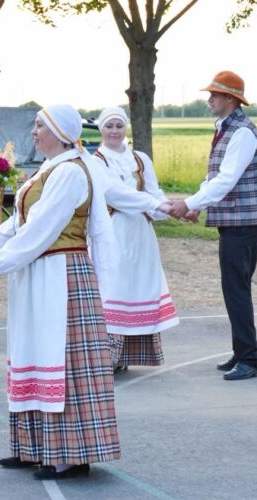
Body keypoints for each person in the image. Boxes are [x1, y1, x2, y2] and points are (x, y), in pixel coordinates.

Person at [0, 104, 121, 480]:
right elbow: (15, 226)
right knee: (33, 350)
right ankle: (33, 447)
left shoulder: (70, 172)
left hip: (62, 273)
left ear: (59, 131)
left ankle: (69, 452)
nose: (34, 132)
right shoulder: (48, 171)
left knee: (62, 357)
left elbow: (40, 230)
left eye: (40, 126)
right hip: (38, 273)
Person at [168, 71, 257, 380]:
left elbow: (227, 179)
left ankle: (250, 358)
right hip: (238, 221)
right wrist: (196, 202)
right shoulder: (229, 128)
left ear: (230, 98)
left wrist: (190, 203)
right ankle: (242, 352)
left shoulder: (242, 132)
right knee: (234, 288)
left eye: (214, 94)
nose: (209, 98)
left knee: (236, 289)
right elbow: (216, 176)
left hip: (244, 221)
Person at [93, 106, 179, 373]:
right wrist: (158, 204)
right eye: (109, 126)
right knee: (112, 290)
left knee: (137, 288)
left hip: (141, 235)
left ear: (126, 127)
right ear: (101, 129)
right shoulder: (96, 161)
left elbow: (154, 194)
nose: (115, 131)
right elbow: (115, 194)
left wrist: (172, 209)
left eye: (119, 125)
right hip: (112, 232)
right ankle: (106, 357)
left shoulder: (140, 159)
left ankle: (126, 355)